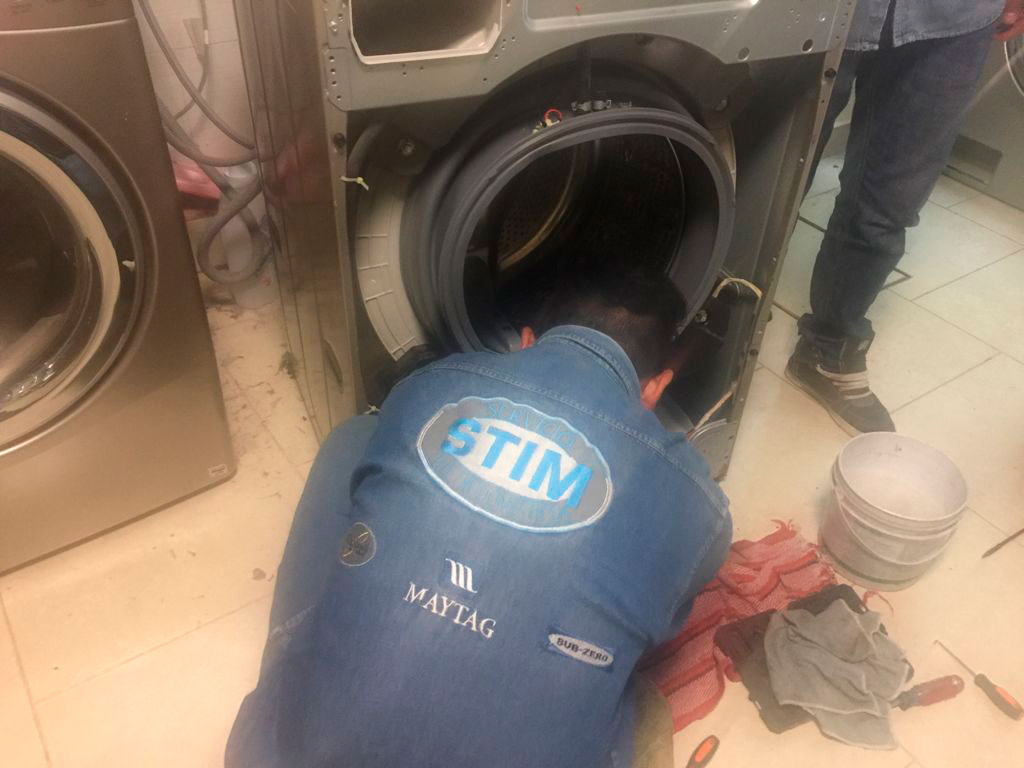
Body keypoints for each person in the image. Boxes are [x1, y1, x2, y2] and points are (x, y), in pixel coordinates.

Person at [225, 269, 732, 768]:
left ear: (527, 342)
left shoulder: (431, 382)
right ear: (655, 388)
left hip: (279, 759)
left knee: (354, 440)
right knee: (628, 688)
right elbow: (652, 624)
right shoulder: (699, 504)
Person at [787, 0, 1024, 434]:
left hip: (955, 17)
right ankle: (715, 317)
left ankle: (828, 350)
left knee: (889, 204)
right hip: (815, 7)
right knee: (769, 175)